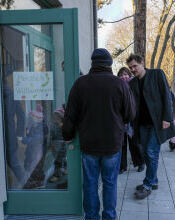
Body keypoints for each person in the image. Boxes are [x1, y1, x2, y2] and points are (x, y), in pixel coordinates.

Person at [62, 48, 136, 220]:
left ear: (93, 63)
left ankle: (91, 216)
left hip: (89, 144)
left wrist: (68, 135)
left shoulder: (81, 84)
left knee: (90, 183)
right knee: (110, 183)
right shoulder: (119, 84)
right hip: (112, 143)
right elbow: (130, 114)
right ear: (109, 64)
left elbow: (70, 114)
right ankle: (109, 216)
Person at [126, 54, 175, 200]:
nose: (133, 69)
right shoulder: (132, 83)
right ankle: (153, 180)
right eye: (130, 68)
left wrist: (167, 117)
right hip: (141, 124)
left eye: (135, 66)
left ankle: (147, 185)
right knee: (146, 153)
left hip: (157, 123)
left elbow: (166, 96)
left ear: (142, 63)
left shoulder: (156, 74)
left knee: (151, 152)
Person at [117, 67, 145, 173]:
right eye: (121, 75)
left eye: (125, 74)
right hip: (121, 119)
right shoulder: (117, 85)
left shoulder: (134, 84)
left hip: (133, 118)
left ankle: (140, 163)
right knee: (122, 144)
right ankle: (122, 166)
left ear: (129, 75)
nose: (123, 77)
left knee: (135, 143)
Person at [49, 105, 67, 183]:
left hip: (62, 145)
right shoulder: (53, 125)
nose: (56, 118)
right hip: (55, 145)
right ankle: (63, 169)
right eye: (55, 116)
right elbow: (51, 134)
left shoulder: (64, 125)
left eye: (58, 116)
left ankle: (57, 175)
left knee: (58, 161)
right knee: (61, 159)